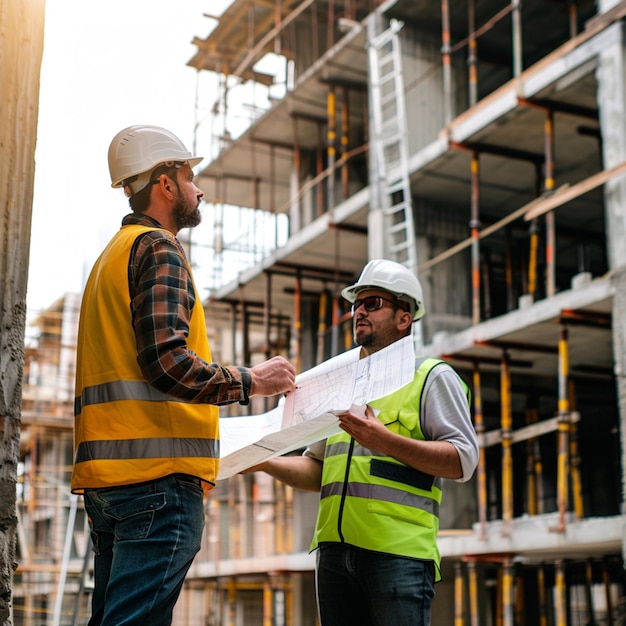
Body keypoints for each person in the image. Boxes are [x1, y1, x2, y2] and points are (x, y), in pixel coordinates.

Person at [71, 124, 296, 626]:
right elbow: (166, 362)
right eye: (190, 175)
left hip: (111, 482)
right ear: (165, 184)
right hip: (157, 480)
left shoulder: (112, 256)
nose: (198, 188)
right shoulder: (158, 248)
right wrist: (251, 381)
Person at [247, 258, 479, 626]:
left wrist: (384, 441)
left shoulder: (432, 378)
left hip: (398, 555)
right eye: (356, 305)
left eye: (373, 303)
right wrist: (261, 460)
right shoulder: (342, 384)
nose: (359, 312)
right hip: (334, 556)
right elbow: (316, 471)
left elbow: (463, 461)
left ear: (405, 318)